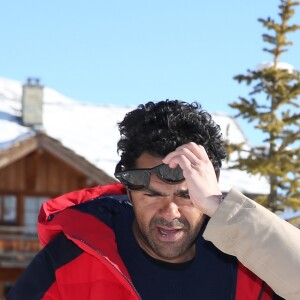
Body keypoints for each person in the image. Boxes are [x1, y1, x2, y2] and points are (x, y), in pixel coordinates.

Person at [7, 100, 300, 300]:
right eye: (152, 194)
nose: (170, 212)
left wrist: (219, 206)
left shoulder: (251, 264)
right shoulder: (72, 257)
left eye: (187, 195)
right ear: (129, 190)